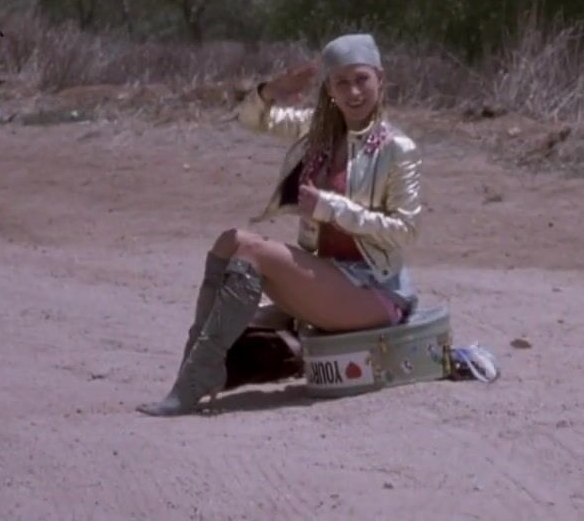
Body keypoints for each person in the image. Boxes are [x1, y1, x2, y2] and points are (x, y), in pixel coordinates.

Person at [138, 33, 424, 416]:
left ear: (380, 80)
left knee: (252, 250)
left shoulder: (397, 148)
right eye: (342, 82)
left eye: (362, 79)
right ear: (329, 89)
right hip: (328, 275)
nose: (354, 92)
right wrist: (272, 90)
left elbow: (405, 229)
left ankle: (198, 379)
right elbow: (250, 118)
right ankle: (194, 372)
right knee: (229, 242)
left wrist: (332, 208)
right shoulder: (319, 131)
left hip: (374, 290)